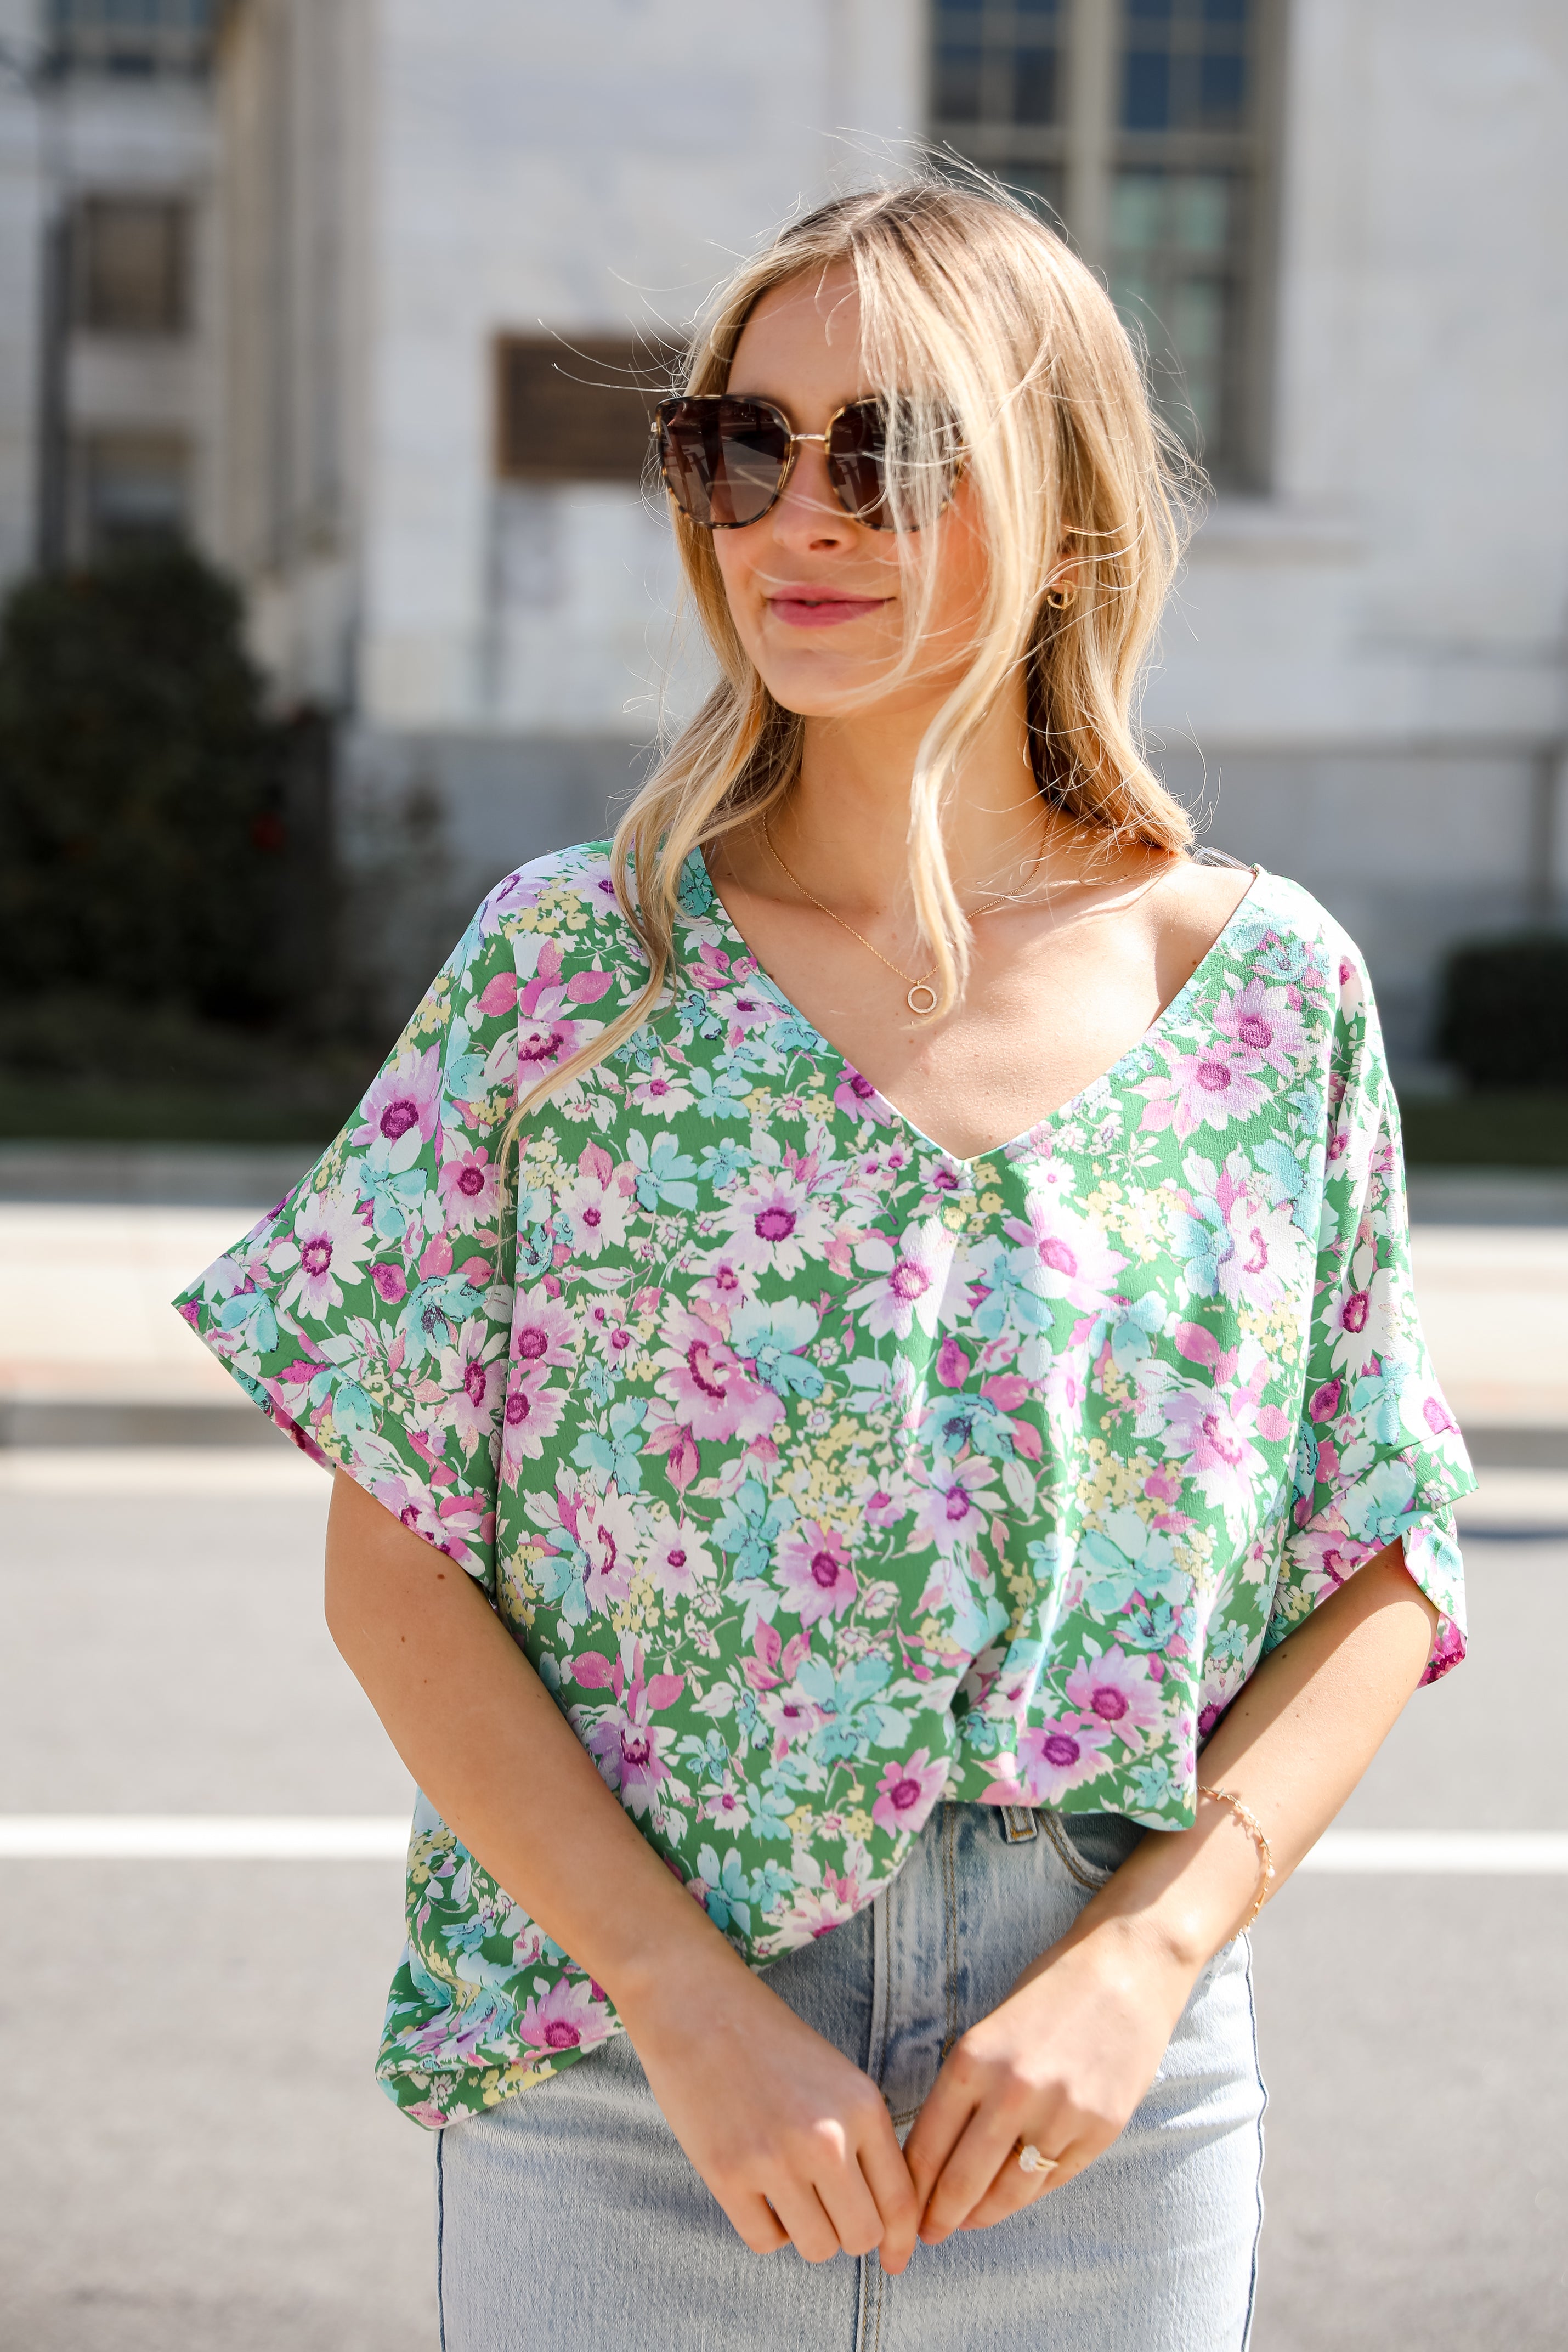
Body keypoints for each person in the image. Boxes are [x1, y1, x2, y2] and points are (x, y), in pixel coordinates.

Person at [176, 176, 1474, 2351]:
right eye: (738, 446)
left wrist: (1146, 1959)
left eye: (892, 451)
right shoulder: (572, 974)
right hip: (626, 2073)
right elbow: (392, 1560)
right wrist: (681, 2001)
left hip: (1094, 2092)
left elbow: (1382, 1555)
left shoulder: (1267, 997)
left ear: (1063, 515)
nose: (798, 514)